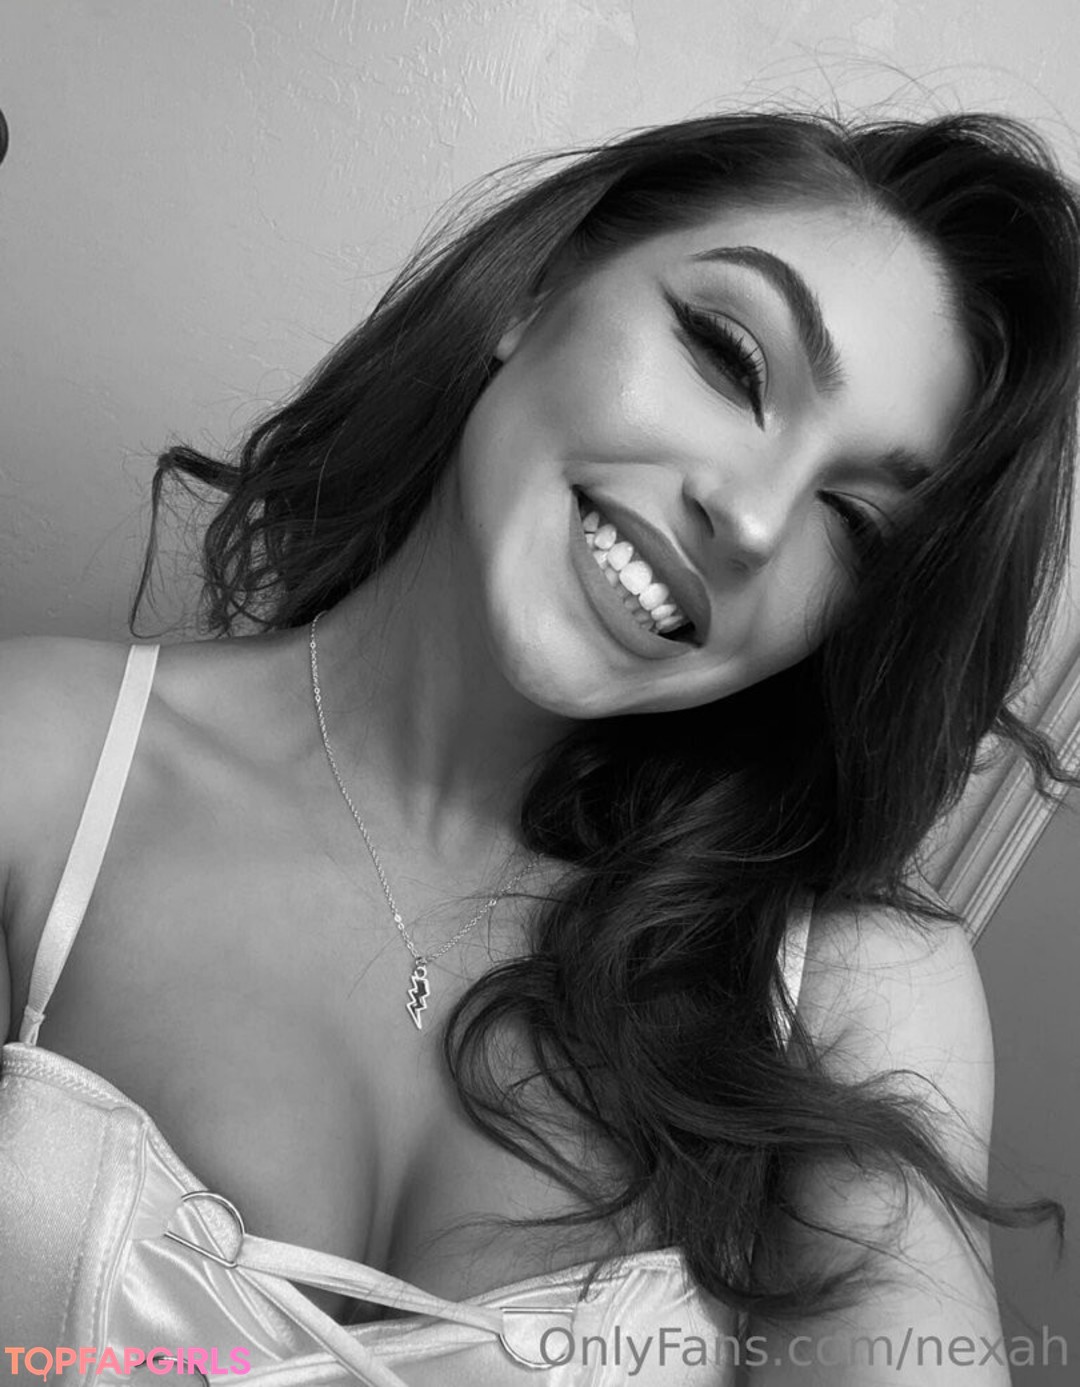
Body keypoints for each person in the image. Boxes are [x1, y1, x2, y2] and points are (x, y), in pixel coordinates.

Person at [1, 107, 1078, 1386]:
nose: (751, 518)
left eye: (852, 519)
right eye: (731, 358)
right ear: (537, 289)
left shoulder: (848, 983)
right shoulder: (39, 763)